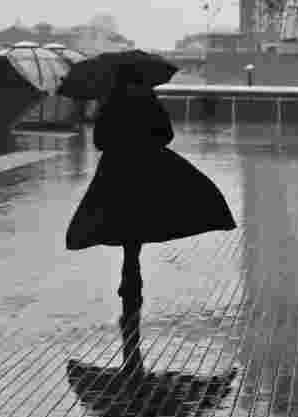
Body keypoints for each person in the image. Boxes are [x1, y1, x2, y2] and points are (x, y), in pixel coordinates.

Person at [66, 63, 235, 315]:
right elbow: (167, 135)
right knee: (140, 215)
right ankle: (133, 267)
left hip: (116, 167)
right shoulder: (150, 100)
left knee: (121, 216)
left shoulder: (111, 102)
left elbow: (100, 140)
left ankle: (128, 266)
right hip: (148, 165)